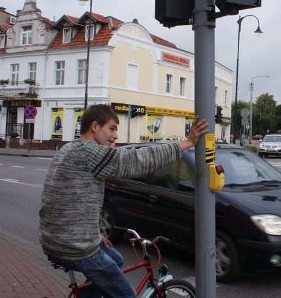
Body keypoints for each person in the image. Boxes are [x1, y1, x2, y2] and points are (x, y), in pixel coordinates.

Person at [39, 104, 208, 298]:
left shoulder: (69, 148)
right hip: (74, 246)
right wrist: (186, 144)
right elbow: (135, 159)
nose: (115, 136)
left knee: (116, 259)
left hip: (55, 238)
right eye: (111, 128)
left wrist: (94, 233)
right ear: (95, 126)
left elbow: (69, 200)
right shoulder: (89, 153)